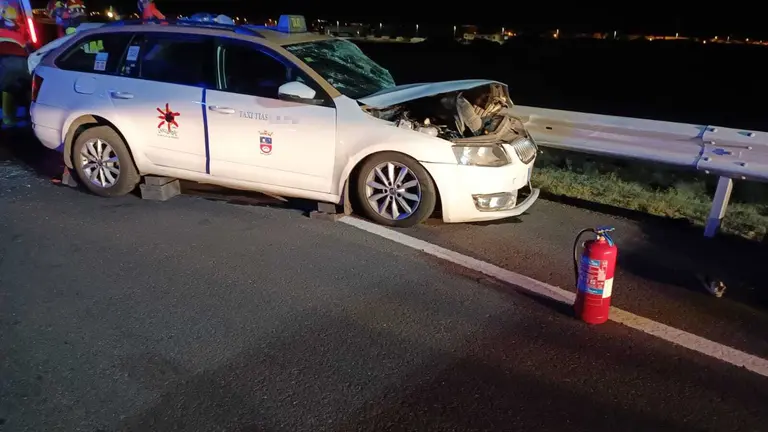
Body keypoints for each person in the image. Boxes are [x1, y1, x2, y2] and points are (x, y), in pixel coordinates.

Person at [0, 0, 32, 128]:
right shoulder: (19, 32)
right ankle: (32, 117)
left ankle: (8, 119)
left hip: (6, 62)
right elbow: (26, 46)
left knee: (7, 89)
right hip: (23, 62)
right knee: (26, 88)